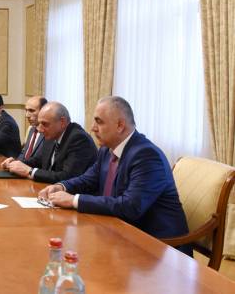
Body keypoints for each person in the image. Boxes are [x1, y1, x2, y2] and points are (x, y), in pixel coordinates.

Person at [38, 96, 190, 254]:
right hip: (119, 233)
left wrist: (73, 200)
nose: (93, 128)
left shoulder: (147, 155)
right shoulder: (106, 149)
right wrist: (61, 186)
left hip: (158, 248)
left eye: (99, 122)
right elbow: (88, 179)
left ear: (120, 125)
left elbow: (131, 206)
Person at [2, 102, 96, 183]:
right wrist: (16, 163)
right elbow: (38, 161)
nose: (40, 129)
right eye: (39, 123)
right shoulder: (52, 134)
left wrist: (30, 171)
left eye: (45, 124)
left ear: (62, 122)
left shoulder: (78, 138)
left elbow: (67, 177)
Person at [17, 96, 48, 162]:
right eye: (26, 110)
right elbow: (24, 152)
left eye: (31, 111)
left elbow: (41, 160)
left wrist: (22, 164)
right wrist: (15, 162)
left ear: (43, 111)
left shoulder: (49, 133)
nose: (27, 115)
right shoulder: (31, 129)